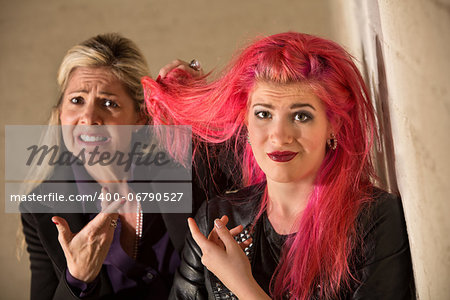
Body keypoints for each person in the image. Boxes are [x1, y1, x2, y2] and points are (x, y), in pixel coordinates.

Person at [143, 32, 414, 299]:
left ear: (335, 125)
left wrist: (242, 285)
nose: (279, 136)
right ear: (246, 122)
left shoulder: (374, 219)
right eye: (263, 114)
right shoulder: (216, 217)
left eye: (301, 116)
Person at [20, 33, 231, 300]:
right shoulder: (40, 206)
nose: (89, 118)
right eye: (76, 100)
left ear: (140, 117)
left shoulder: (187, 169)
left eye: (109, 103)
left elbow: (250, 153)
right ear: (60, 112)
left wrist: (202, 103)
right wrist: (78, 281)